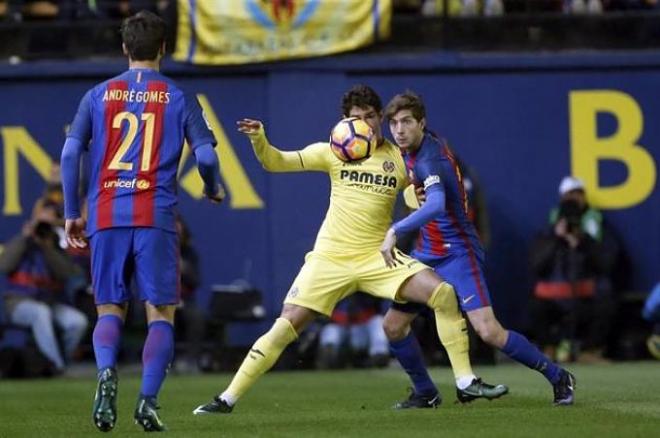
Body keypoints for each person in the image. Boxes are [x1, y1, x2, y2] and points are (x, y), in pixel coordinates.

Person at [193, 84, 507, 415]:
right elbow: (276, 162)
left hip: (377, 257)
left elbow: (418, 197)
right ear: (344, 121)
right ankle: (226, 399)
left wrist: (421, 202)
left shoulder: (398, 158)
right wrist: (259, 138)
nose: (364, 125)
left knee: (442, 293)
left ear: (379, 118)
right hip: (330, 258)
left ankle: (464, 382)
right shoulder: (332, 151)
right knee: (285, 325)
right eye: (356, 118)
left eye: (370, 117)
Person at [60, 10, 224, 432]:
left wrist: (71, 213)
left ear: (124, 49)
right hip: (154, 214)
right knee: (161, 313)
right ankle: (148, 401)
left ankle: (105, 372)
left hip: (105, 213)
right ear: (163, 49)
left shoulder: (97, 95)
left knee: (109, 307)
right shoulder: (179, 96)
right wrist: (210, 186)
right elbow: (205, 155)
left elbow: (69, 154)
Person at [379, 91, 576, 406]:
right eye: (394, 123)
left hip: (457, 254)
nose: (399, 130)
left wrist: (395, 230)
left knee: (489, 332)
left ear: (421, 123)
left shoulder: (432, 159)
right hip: (426, 253)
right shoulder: (412, 150)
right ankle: (426, 393)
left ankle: (558, 376)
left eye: (406, 122)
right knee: (393, 325)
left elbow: (437, 205)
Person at [529, 176, 617, 363]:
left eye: (579, 193)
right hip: (554, 299)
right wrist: (557, 238)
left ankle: (590, 351)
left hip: (585, 298)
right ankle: (548, 349)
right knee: (536, 305)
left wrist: (582, 241)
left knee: (606, 301)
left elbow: (606, 264)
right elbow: (537, 266)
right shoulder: (549, 231)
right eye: (570, 194)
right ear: (562, 198)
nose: (575, 198)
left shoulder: (597, 228)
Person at [0, 201, 88, 374]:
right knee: (40, 313)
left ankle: (55, 362)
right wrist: (25, 238)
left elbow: (66, 274)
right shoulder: (21, 242)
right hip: (18, 303)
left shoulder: (55, 246)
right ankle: (57, 367)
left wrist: (47, 247)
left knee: (77, 322)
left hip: (49, 303)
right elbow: (4, 266)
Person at [316, 293, 389, 369]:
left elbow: (384, 306)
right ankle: (330, 358)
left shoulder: (368, 286)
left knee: (378, 321)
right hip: (341, 327)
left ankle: (379, 354)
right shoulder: (333, 286)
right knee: (331, 331)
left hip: (363, 328)